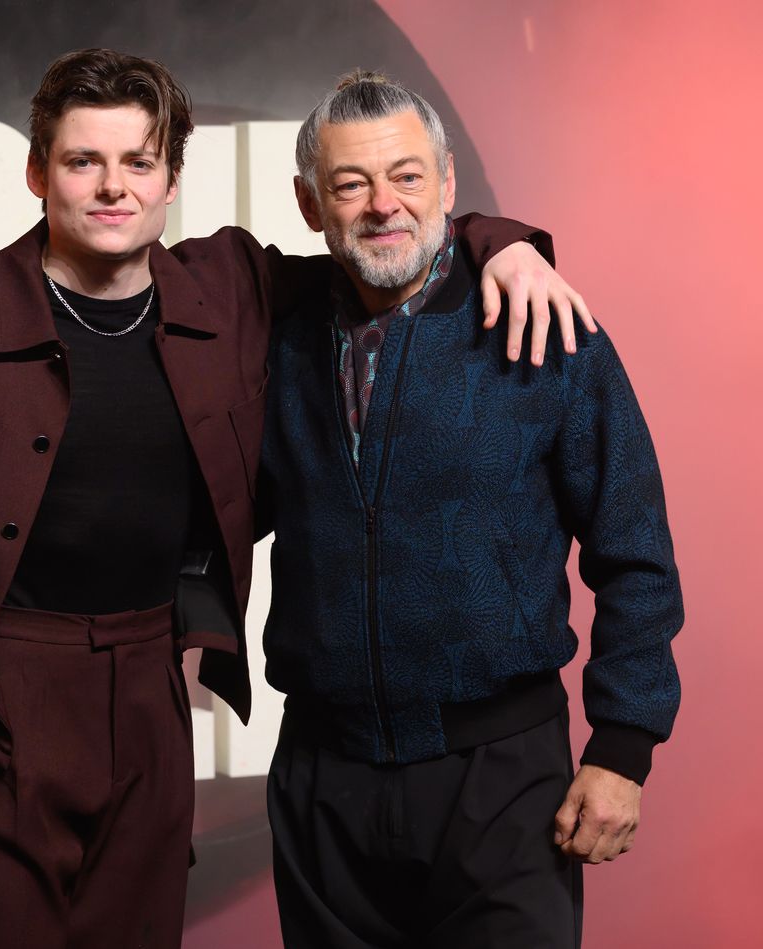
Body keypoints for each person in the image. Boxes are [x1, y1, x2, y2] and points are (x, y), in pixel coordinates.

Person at [0, 51, 590, 949]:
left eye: (137, 163)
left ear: (170, 179)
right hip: (2, 694)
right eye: (82, 161)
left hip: (154, 684)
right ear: (37, 173)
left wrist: (501, 243)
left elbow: (384, 248)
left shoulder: (231, 287)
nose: (111, 188)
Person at [261, 70, 683, 948]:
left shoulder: (545, 329)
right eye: (352, 184)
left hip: (501, 778)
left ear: (448, 186)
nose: (384, 205)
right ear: (310, 204)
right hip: (323, 779)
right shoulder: (276, 337)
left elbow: (634, 551)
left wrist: (621, 749)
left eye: (408, 176)